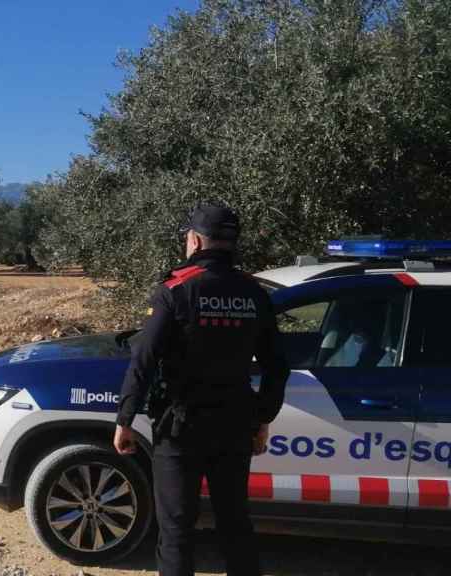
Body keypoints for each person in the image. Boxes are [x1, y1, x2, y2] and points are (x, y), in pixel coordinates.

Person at [112, 204, 290, 576]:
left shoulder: (175, 290)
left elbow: (143, 359)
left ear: (193, 240)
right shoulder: (253, 293)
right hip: (235, 425)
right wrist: (262, 418)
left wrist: (125, 419)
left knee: (176, 531)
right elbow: (277, 365)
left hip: (181, 430)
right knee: (235, 525)